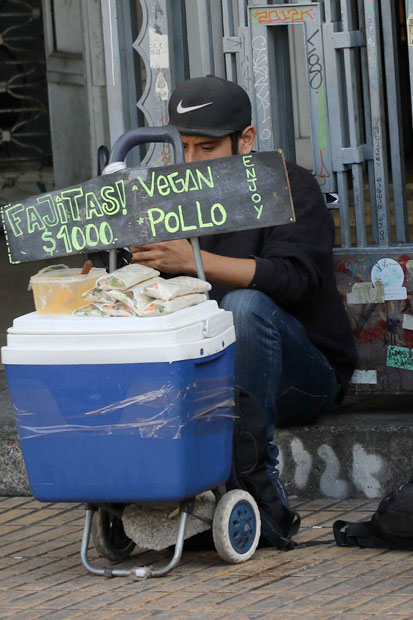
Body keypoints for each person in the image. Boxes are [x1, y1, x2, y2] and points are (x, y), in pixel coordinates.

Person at [129, 76, 358, 546]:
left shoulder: (288, 185)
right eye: (183, 148)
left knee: (245, 308)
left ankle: (252, 479)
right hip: (205, 376)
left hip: (301, 373)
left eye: (207, 148)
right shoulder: (165, 194)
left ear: (246, 140)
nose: (192, 162)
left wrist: (194, 262)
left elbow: (294, 280)